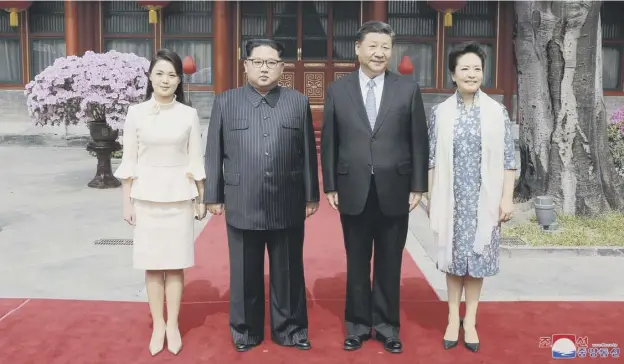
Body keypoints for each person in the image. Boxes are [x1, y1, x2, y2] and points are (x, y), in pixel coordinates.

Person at [203, 38, 320, 353]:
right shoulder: (226, 102)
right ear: (246, 65)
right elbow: (214, 152)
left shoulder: (297, 102)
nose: (264, 68)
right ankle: (245, 331)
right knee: (244, 273)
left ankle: (291, 330)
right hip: (243, 200)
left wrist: (312, 195)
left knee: (288, 271)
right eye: (258, 62)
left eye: (271, 63)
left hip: (287, 200)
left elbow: (307, 153)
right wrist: (212, 195)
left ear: (282, 67)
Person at [320, 20, 429, 354]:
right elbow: (330, 140)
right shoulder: (338, 90)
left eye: (385, 47)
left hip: (395, 188)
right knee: (356, 261)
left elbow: (418, 141)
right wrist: (330, 185)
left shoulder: (407, 89)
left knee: (389, 262)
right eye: (373, 46)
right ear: (358, 48)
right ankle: (356, 326)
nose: (380, 53)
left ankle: (386, 326)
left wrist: (418, 185)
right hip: (352, 188)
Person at [113, 49, 206, 356]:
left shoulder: (188, 114)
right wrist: (126, 203)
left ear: (179, 79)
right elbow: (129, 162)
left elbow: (196, 159)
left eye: (172, 75)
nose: (165, 80)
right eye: (160, 74)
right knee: (153, 266)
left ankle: (174, 324)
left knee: (176, 265)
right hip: (146, 197)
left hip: (179, 197)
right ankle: (158, 324)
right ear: (150, 77)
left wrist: (200, 198)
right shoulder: (136, 113)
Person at [427, 41, 516, 353]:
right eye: (464, 68)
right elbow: (432, 160)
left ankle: (471, 320)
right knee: (453, 261)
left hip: (484, 201)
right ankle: (453, 318)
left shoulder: (497, 112)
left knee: (476, 262)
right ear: (453, 74)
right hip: (452, 200)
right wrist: (430, 197)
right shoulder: (440, 113)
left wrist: (507, 198)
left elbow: (509, 160)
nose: (471, 74)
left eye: (477, 68)